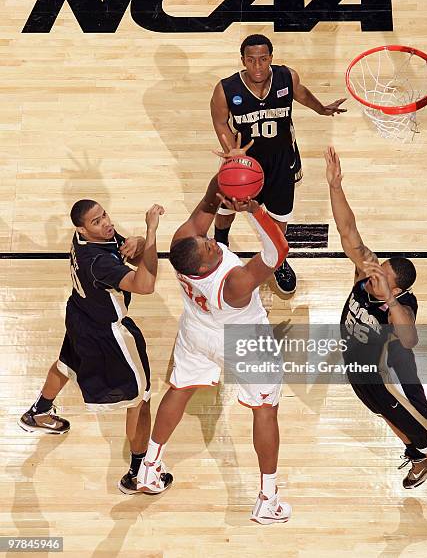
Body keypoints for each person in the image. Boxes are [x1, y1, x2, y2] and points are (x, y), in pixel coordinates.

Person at [137, 133, 291, 525]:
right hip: (242, 342)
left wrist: (228, 169)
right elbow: (277, 253)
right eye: (209, 246)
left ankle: (149, 467)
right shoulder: (234, 283)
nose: (210, 240)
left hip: (196, 329)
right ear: (205, 266)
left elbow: (208, 203)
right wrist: (255, 210)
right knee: (265, 410)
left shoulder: (182, 245)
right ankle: (267, 499)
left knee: (180, 388)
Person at [325, 146, 427, 548]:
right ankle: (417, 455)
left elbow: (409, 338)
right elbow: (348, 231)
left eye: (383, 275)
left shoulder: (402, 306)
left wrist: (388, 296)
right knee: (385, 418)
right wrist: (336, 186)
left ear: (399, 287)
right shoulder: (366, 274)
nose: (374, 274)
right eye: (377, 268)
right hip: (362, 376)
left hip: (396, 385)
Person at [18, 200, 168, 496]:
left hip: (80, 313)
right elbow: (146, 283)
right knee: (140, 400)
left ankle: (38, 412)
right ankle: (137, 475)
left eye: (105, 215)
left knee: (66, 363)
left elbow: (134, 257)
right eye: (97, 222)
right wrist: (151, 231)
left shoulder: (90, 238)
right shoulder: (98, 262)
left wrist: (137, 242)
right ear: (82, 228)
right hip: (107, 332)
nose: (106, 223)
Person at [210, 33, 346, 295]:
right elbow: (220, 121)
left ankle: (279, 259)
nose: (258, 66)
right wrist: (233, 150)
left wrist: (321, 109)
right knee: (227, 208)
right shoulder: (226, 88)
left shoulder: (286, 77)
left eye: (263, 59)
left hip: (283, 161)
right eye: (251, 60)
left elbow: (302, 95)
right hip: (244, 164)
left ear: (271, 58)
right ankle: (221, 240)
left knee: (279, 219)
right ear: (243, 61)